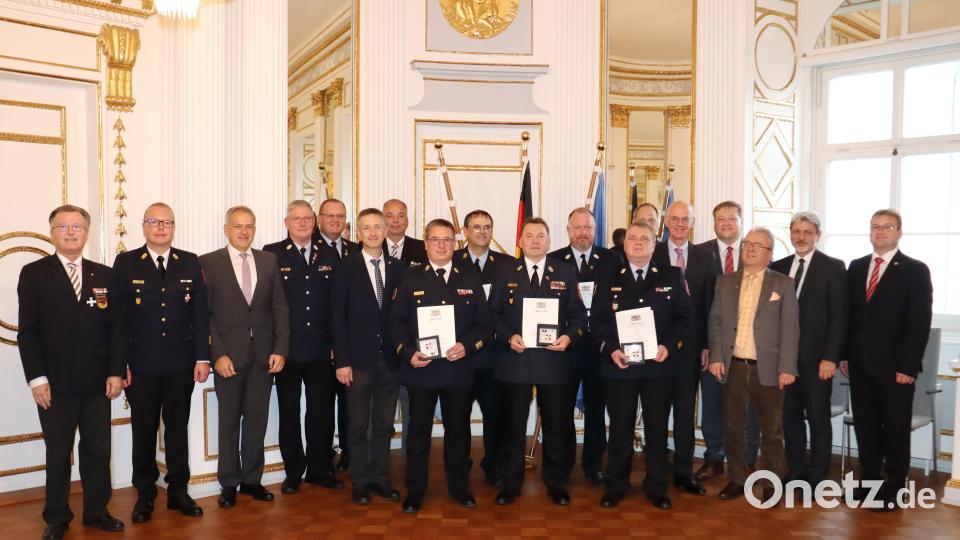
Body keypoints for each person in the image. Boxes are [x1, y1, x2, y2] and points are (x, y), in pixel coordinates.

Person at [18, 205, 126, 540]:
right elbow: (28, 332)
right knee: (58, 452)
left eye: (77, 226)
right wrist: (37, 379)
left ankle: (97, 511)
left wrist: (115, 372)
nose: (70, 232)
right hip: (55, 385)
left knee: (97, 450)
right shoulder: (34, 273)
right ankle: (57, 517)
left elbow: (116, 329)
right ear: (52, 232)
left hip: (98, 383)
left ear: (87, 232)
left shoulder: (105, 275)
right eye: (62, 226)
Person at [111, 202, 208, 524]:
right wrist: (120, 364)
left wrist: (202, 357)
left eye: (167, 222)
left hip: (181, 365)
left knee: (178, 430)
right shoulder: (125, 264)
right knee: (144, 431)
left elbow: (200, 315)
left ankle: (178, 490)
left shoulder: (190, 262)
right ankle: (146, 494)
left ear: (174, 227)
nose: (161, 227)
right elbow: (118, 320)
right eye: (154, 221)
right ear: (143, 226)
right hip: (141, 366)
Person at [390, 218, 493, 513]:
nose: (441, 245)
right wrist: (407, 352)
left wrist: (468, 345)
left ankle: (459, 488)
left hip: (457, 370)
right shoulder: (410, 277)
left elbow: (484, 324)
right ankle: (416, 491)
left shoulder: (469, 277)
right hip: (420, 370)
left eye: (447, 239)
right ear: (425, 244)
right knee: (418, 433)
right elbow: (396, 323)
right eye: (435, 240)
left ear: (455, 243)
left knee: (458, 433)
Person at [592, 222, 693, 510]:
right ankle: (616, 485)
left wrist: (669, 347)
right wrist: (610, 349)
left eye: (644, 239)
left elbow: (685, 320)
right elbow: (597, 321)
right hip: (620, 367)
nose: (638, 243)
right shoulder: (608, 275)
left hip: (658, 368)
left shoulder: (672, 275)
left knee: (658, 429)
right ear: (624, 245)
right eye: (632, 238)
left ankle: (657, 486)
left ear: (654, 244)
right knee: (620, 428)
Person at [490, 218, 587, 506]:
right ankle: (510, 483)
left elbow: (579, 316)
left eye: (540, 236)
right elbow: (492, 316)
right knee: (513, 427)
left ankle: (556, 482)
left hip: (554, 361)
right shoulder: (504, 271)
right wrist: (508, 338)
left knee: (557, 425)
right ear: (520, 241)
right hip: (515, 360)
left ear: (548, 240)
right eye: (529, 236)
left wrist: (569, 337)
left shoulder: (566, 272)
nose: (534, 241)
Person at [841, 209, 932, 511]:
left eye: (887, 227)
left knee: (894, 428)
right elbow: (850, 317)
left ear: (899, 232)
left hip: (896, 369)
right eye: (875, 227)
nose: (880, 232)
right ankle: (870, 485)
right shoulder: (855, 267)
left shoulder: (915, 270)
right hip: (859, 365)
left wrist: (908, 366)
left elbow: (918, 323)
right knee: (865, 428)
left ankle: (894, 488)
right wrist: (843, 355)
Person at [200, 206, 290, 509]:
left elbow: (280, 308)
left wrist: (280, 348)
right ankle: (228, 483)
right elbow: (206, 316)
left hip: (264, 356)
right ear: (226, 229)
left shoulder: (268, 260)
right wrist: (218, 354)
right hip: (229, 357)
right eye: (238, 226)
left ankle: (252, 479)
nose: (244, 232)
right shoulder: (209, 263)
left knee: (256, 420)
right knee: (228, 422)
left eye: (249, 226)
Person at [708, 227, 799, 502]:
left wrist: (787, 368)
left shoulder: (783, 284)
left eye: (757, 245)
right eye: (747, 243)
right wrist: (715, 357)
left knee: (772, 430)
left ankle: (771, 481)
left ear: (769, 254)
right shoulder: (724, 281)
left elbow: (791, 329)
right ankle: (737, 477)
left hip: (769, 369)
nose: (750, 249)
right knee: (733, 427)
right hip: (734, 366)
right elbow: (715, 321)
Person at [264, 200, 344, 494]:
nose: (302, 223)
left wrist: (337, 344)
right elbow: (266, 306)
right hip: (286, 350)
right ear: (286, 222)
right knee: (288, 413)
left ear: (315, 222)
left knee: (321, 413)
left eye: (307, 219)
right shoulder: (272, 254)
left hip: (322, 350)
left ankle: (319, 469)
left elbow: (337, 305)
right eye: (296, 219)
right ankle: (294, 472)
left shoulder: (330, 254)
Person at [332, 208, 404, 506]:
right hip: (357, 361)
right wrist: (342, 362)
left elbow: (405, 316)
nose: (373, 232)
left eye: (379, 227)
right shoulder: (345, 267)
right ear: (357, 233)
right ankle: (360, 481)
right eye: (367, 228)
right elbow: (337, 318)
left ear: (387, 230)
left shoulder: (400, 269)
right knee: (359, 424)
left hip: (390, 360)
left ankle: (381, 478)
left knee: (384, 423)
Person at [770, 211, 847, 487]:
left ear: (818, 235)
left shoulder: (834, 267)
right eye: (796, 231)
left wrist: (831, 357)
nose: (800, 237)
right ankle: (797, 471)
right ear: (790, 233)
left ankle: (818, 477)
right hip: (784, 361)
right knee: (789, 420)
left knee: (818, 420)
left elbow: (840, 317)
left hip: (817, 362)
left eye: (807, 232)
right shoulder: (777, 266)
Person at [547, 207, 622, 487]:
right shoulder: (554, 259)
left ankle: (594, 466)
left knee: (595, 410)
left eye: (588, 228)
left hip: (600, 349)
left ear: (595, 230)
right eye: (577, 228)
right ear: (568, 231)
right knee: (561, 410)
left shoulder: (612, 259)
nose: (582, 233)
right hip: (565, 348)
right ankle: (562, 466)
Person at [652, 201, 716, 496]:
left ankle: (683, 471)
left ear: (692, 223)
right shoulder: (652, 251)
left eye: (685, 220)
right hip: (657, 348)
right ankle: (656, 471)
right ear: (665, 221)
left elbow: (711, 306)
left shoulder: (706, 256)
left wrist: (706, 345)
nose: (679, 224)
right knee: (656, 411)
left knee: (684, 415)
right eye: (674, 219)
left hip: (690, 350)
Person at [695, 200, 759, 482]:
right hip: (713, 345)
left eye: (731, 218)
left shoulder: (756, 250)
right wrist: (705, 345)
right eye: (720, 219)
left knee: (746, 406)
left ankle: (745, 459)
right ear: (713, 223)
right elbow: (697, 305)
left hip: (749, 345)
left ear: (741, 221)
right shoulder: (700, 253)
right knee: (712, 404)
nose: (725, 224)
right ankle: (714, 457)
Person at [453, 209, 513, 486]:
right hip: (461, 355)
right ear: (465, 231)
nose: (482, 232)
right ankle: (460, 467)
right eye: (476, 227)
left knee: (495, 416)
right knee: (459, 418)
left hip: (495, 356)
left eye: (487, 227)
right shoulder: (452, 261)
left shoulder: (508, 264)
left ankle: (495, 466)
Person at [314, 198, 357, 473]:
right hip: (319, 345)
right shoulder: (311, 249)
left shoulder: (356, 250)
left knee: (350, 405)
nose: (335, 220)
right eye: (329, 215)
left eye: (340, 216)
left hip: (352, 345)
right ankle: (323, 456)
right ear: (319, 218)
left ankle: (350, 453)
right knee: (322, 406)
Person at [382, 199, 428, 265]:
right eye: (390, 216)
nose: (395, 220)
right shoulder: (372, 246)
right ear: (382, 220)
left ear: (407, 221)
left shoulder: (422, 248)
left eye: (401, 216)